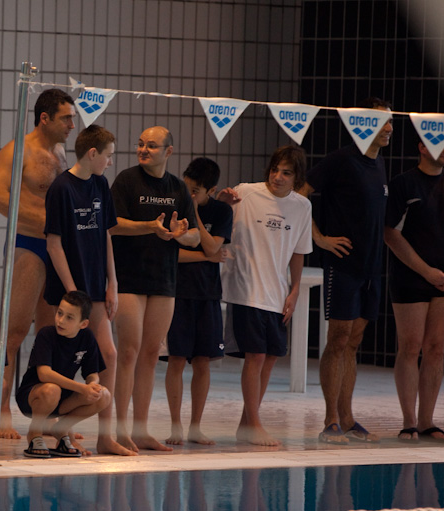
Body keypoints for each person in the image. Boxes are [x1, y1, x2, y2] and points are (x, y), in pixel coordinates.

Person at [301, 98, 392, 445]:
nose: (389, 129)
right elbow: (300, 195)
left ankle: (348, 418)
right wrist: (319, 238)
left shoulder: (378, 163)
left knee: (354, 341)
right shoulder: (341, 160)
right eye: (382, 122)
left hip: (371, 267)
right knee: (338, 339)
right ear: (362, 123)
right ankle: (330, 420)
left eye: (391, 122)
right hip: (343, 265)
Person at [0, 88, 76, 442]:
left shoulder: (60, 153)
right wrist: (49, 223)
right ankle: (1, 410)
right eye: (66, 118)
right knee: (14, 333)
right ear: (45, 118)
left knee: (51, 334)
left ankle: (45, 418)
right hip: (28, 245)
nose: (72, 125)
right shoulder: (17, 150)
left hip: (58, 250)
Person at [109, 126, 199, 452]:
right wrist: (149, 227)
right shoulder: (126, 180)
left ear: (168, 152)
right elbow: (113, 224)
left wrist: (180, 234)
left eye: (151, 145)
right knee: (128, 352)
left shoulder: (178, 188)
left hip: (164, 280)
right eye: (140, 144)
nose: (143, 150)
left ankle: (141, 429)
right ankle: (120, 429)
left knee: (150, 354)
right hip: (129, 278)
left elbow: (195, 237)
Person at [43, 124, 131, 455]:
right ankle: (55, 427)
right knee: (62, 361)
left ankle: (104, 436)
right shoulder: (61, 188)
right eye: (108, 155)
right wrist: (72, 295)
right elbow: (53, 244)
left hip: (95, 287)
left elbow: (106, 234)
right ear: (92, 153)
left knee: (108, 354)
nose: (111, 162)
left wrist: (113, 283)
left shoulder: (100, 184)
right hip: (70, 291)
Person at [220, 145, 312, 446]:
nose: (278, 177)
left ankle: (247, 424)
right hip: (245, 288)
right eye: (275, 170)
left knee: (271, 356)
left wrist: (294, 290)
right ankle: (255, 424)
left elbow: (299, 252)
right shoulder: (246, 193)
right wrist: (221, 202)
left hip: (277, 291)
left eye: (286, 173)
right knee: (256, 355)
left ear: (297, 177)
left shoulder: (302, 207)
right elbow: (217, 218)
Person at [384, 139, 444, 442]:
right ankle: (408, 421)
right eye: (442, 144)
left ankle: (427, 421)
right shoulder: (404, 184)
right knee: (410, 347)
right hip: (411, 276)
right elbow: (390, 234)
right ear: (423, 147)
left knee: (436, 348)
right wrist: (426, 271)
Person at [164, 157, 233, 446]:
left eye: (195, 191)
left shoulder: (222, 211)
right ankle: (176, 425)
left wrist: (194, 214)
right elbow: (173, 255)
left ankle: (195, 426)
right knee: (177, 360)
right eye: (187, 188)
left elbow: (215, 245)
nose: (189, 194)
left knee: (203, 361)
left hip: (208, 295)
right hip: (178, 294)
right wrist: (207, 256)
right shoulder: (174, 208)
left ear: (211, 191)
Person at [16, 291, 111, 458]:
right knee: (52, 389)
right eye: (60, 313)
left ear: (83, 324)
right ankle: (35, 433)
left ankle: (61, 429)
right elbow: (44, 374)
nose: (60, 320)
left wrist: (92, 384)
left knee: (103, 395)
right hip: (34, 397)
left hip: (62, 398)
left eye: (69, 317)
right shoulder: (47, 334)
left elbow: (92, 373)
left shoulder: (87, 337)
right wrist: (81, 388)